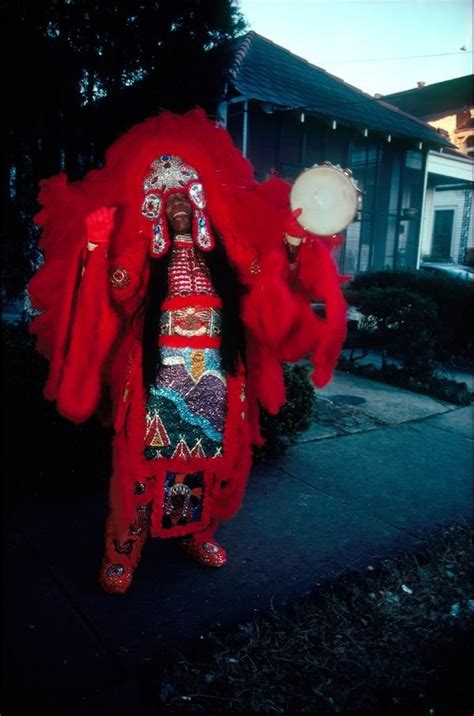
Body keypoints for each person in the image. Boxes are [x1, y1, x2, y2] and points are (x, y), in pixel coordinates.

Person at [28, 109, 347, 593]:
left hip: (217, 372)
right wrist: (95, 248)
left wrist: (291, 241)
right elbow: (115, 291)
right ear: (155, 207)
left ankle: (194, 532)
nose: (177, 204)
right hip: (158, 374)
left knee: (204, 460)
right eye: (167, 198)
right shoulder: (140, 253)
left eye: (184, 197)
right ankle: (123, 548)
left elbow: (265, 278)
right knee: (140, 464)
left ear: (198, 202)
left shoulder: (227, 248)